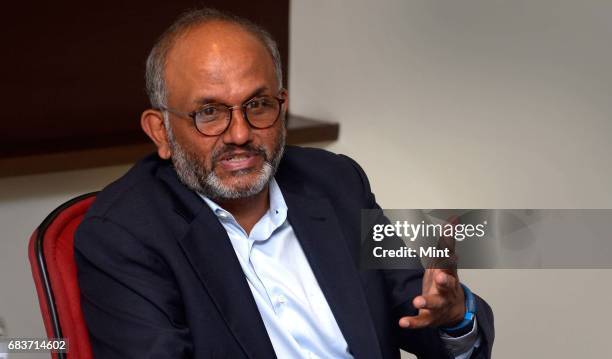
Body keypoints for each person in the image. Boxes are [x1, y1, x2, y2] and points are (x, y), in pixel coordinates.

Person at [74, 8, 494, 359]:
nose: (239, 134)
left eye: (257, 105)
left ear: (282, 106)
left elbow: (419, 310)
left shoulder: (336, 183)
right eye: (209, 113)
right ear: (161, 132)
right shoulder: (123, 235)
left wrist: (455, 316)